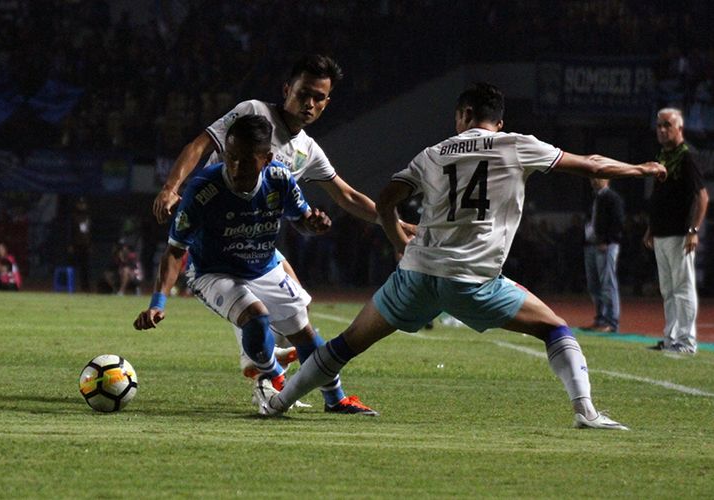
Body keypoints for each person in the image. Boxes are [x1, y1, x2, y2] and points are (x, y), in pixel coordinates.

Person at [255, 83, 667, 430]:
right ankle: (586, 411)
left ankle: (278, 403)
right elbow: (591, 165)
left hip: (415, 275)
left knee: (345, 344)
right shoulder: (517, 146)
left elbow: (385, 201)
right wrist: (641, 170)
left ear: (463, 115)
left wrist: (399, 241)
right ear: (498, 122)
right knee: (556, 329)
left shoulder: (433, 153)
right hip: (474, 281)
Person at [151, 54, 415, 380]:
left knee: (300, 307)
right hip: (216, 236)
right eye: (303, 94)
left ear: (327, 103)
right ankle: (265, 367)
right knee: (261, 310)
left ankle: (264, 363)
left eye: (318, 98)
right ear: (287, 89)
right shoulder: (253, 112)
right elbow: (200, 144)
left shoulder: (308, 149)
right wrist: (170, 187)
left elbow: (347, 196)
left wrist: (395, 223)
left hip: (256, 239)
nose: (309, 103)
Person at [134, 115, 377, 415]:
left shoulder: (280, 178)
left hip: (263, 266)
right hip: (213, 271)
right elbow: (174, 250)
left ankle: (335, 399)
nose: (236, 168)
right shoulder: (203, 190)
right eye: (231, 158)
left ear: (267, 158)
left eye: (246, 161)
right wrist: (158, 302)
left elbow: (300, 220)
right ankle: (271, 374)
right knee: (256, 316)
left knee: (304, 332)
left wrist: (312, 224)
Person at [644, 108, 709, 354]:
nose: (662, 130)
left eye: (667, 125)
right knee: (668, 289)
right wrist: (652, 226)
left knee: (683, 288)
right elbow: (660, 195)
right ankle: (671, 337)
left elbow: (702, 196)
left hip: (680, 233)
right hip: (662, 232)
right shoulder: (663, 155)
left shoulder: (686, 156)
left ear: (679, 128)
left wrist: (693, 229)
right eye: (659, 125)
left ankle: (687, 340)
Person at [581, 178, 624, 332]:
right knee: (594, 285)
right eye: (592, 177)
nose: (594, 180)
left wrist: (607, 240)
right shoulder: (594, 198)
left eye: (598, 177)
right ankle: (600, 318)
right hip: (591, 245)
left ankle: (611, 322)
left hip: (605, 246)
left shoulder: (612, 198)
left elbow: (618, 222)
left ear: (607, 179)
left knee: (607, 283)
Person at [67, 196, 92, 292]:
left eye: (83, 204)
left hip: (85, 245)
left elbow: (90, 232)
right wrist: (70, 244)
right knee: (73, 265)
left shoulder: (88, 217)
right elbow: (70, 231)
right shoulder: (73, 216)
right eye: (80, 204)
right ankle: (71, 286)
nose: (82, 206)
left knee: (85, 267)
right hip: (76, 244)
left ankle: (85, 287)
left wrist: (90, 245)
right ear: (77, 205)